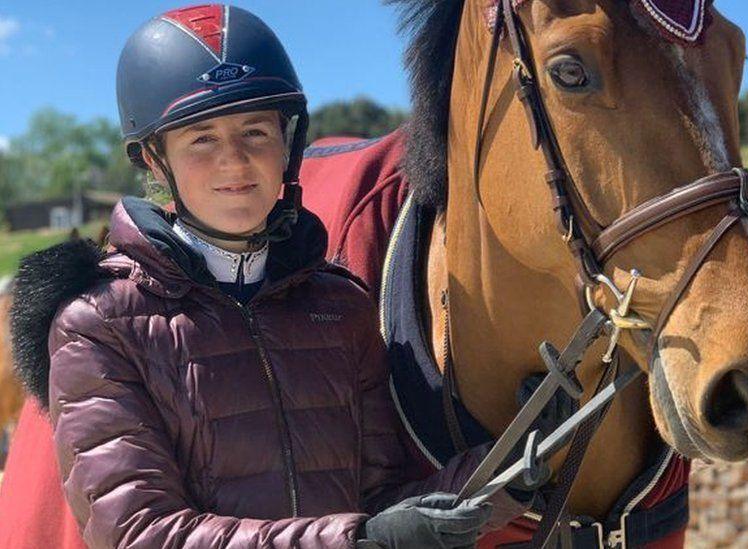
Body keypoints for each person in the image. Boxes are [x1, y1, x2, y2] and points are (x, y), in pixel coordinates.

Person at [7, 5, 524, 548]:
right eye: (202, 139)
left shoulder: (340, 307)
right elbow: (141, 533)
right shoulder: (98, 324)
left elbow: (379, 502)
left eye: (255, 131)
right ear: (155, 161)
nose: (235, 162)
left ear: (287, 145)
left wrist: (507, 467)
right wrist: (360, 541)